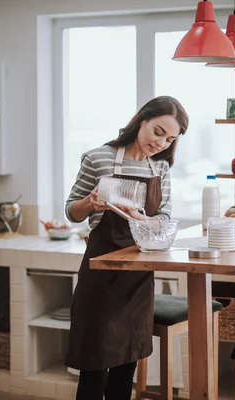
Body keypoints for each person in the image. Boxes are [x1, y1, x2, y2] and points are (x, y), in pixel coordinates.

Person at [64, 95, 189, 400]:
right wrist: (89, 202)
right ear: (141, 120)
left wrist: (141, 218)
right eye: (158, 132)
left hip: (137, 273)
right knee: (93, 365)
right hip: (100, 273)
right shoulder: (98, 158)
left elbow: (164, 218)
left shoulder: (159, 168)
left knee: (126, 365)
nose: (161, 143)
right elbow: (71, 211)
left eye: (170, 138)